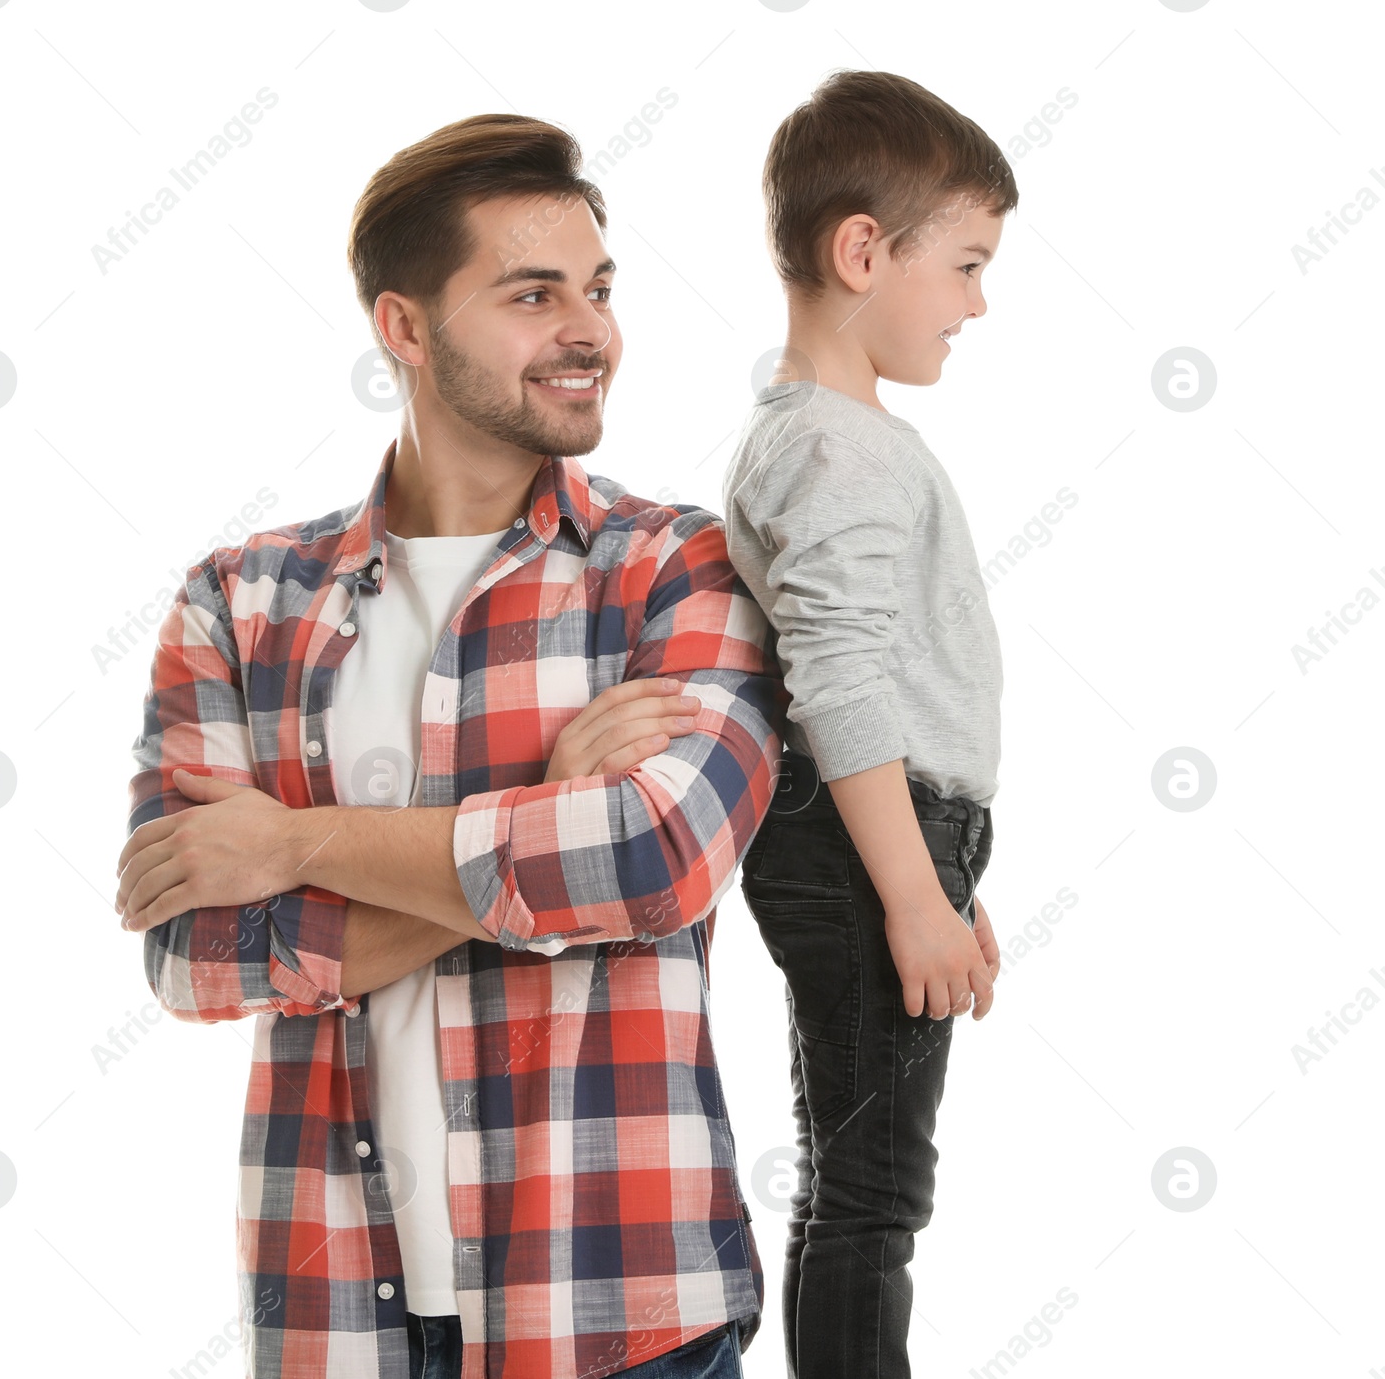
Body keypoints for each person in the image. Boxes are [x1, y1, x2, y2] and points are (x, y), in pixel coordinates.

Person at [115, 112, 785, 1379]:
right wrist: (542, 809)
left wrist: (295, 846)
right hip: (335, 1318)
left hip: (620, 1309)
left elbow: (651, 862)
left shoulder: (670, 567)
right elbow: (193, 955)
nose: (588, 330)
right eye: (532, 295)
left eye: (595, 289)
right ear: (405, 329)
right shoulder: (241, 603)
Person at [721, 69, 1016, 1378]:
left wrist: (942, 878)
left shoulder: (833, 436)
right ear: (861, 251)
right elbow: (837, 679)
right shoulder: (837, 446)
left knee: (856, 1174)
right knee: (874, 1194)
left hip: (880, 839)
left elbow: (872, 681)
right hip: (861, 850)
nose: (976, 303)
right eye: (962, 265)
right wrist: (910, 887)